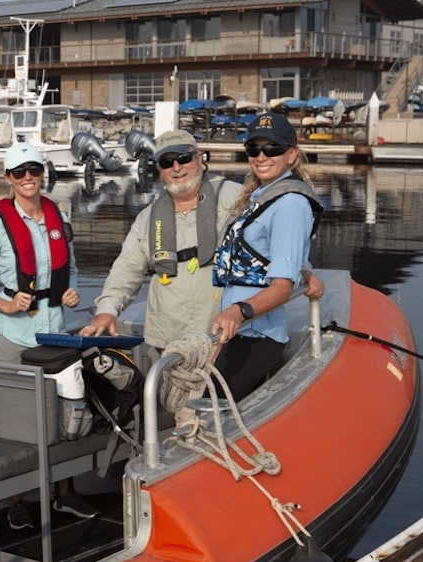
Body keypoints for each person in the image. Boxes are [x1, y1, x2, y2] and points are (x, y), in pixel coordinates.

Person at [79, 128, 323, 361]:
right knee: (165, 399)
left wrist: (304, 269)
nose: (177, 168)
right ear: (159, 168)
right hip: (167, 337)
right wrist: (107, 310)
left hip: (219, 333)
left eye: (184, 158)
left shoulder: (236, 197)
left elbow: (275, 236)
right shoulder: (147, 218)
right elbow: (126, 269)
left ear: (199, 158)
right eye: (167, 162)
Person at [0, 142, 95, 531]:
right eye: (19, 172)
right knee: (14, 424)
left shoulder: (57, 215)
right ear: (8, 179)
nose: (28, 178)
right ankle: (14, 504)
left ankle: (65, 495)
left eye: (33, 169)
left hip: (55, 334)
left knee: (64, 416)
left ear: (42, 172)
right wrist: (3, 304)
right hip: (12, 337)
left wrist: (70, 294)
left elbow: (66, 270)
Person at [210, 113, 323, 400]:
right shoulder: (262, 196)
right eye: (253, 149)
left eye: (272, 148)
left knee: (217, 414)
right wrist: (306, 271)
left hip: (256, 335)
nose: (262, 156)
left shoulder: (289, 204)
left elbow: (282, 288)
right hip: (238, 331)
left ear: (291, 154)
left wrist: (238, 311)